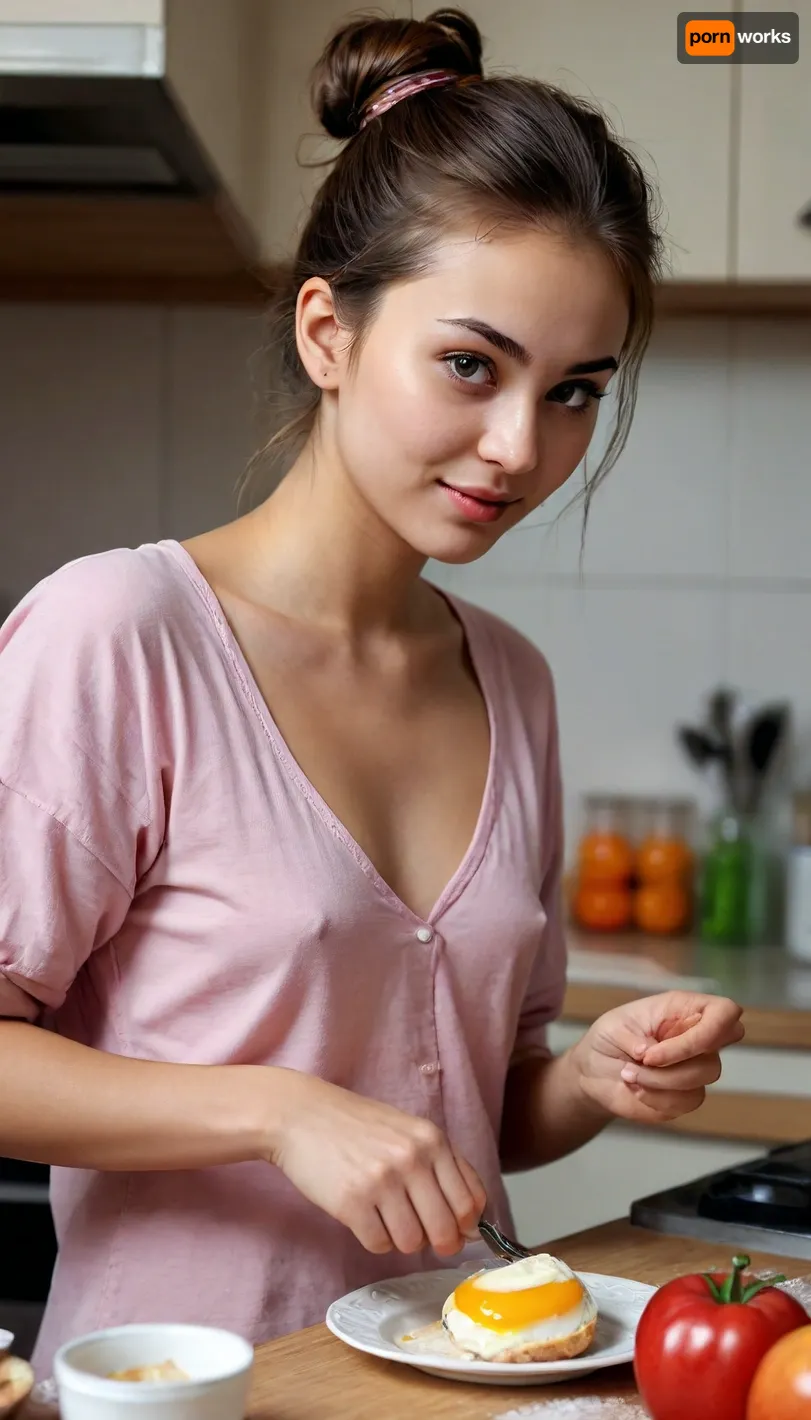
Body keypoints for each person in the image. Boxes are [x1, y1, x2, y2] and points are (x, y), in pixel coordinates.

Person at [0, 8, 743, 1378]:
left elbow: (470, 1104)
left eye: (574, 390)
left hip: (457, 1395)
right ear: (328, 333)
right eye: (471, 364)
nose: (521, 446)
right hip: (187, 1402)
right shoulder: (121, 636)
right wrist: (277, 1110)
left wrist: (586, 1079)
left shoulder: (507, 680)